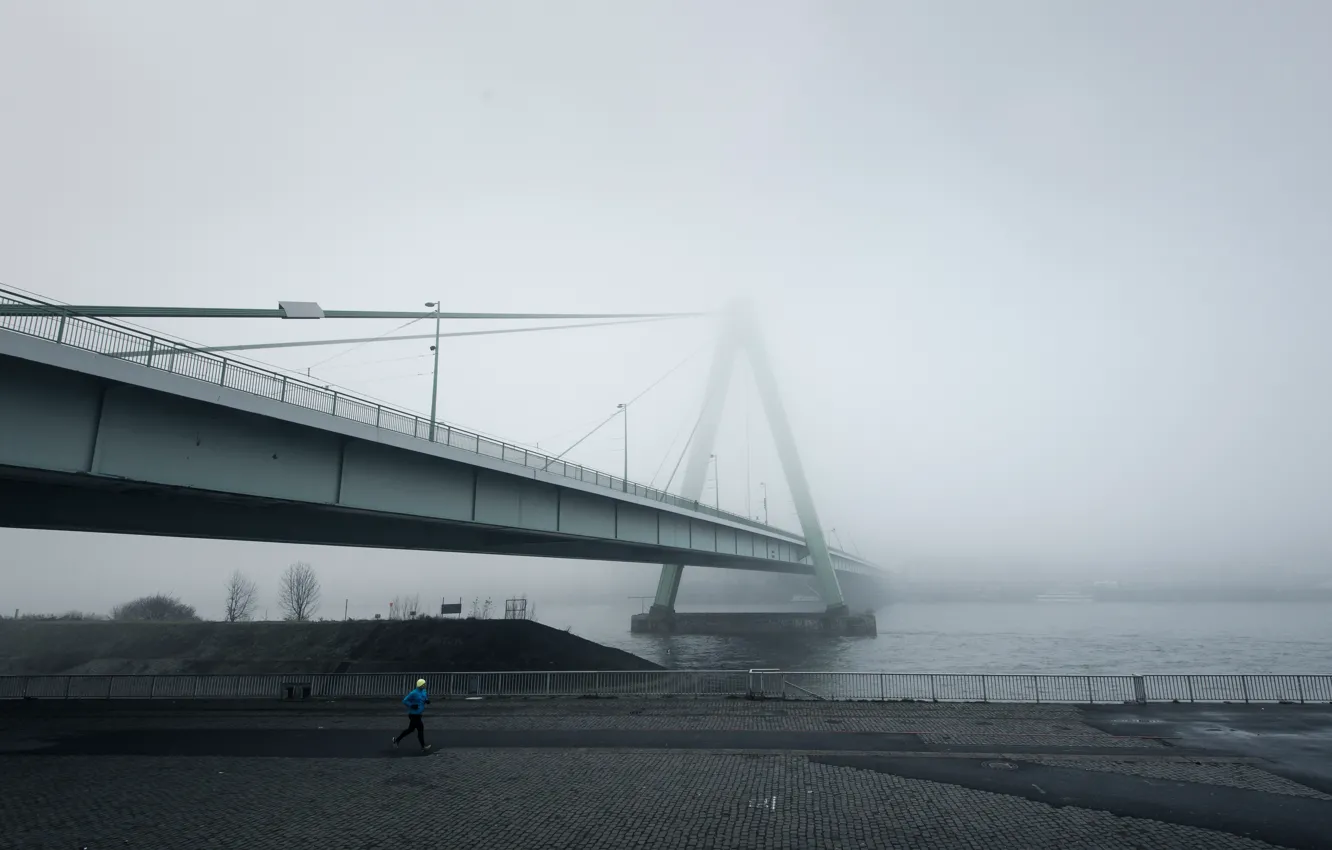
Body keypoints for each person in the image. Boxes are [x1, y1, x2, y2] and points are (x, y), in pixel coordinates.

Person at [393, 678, 431, 752]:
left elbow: (425, 697)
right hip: (413, 715)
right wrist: (411, 705)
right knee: (420, 729)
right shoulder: (413, 693)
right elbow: (405, 700)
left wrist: (427, 700)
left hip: (419, 714)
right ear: (421, 685)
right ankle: (423, 746)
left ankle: (396, 740)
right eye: (424, 684)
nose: (425, 685)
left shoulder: (424, 691)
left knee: (410, 730)